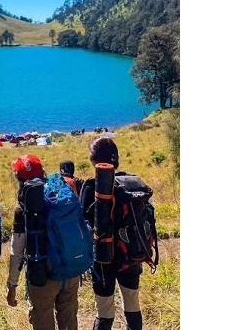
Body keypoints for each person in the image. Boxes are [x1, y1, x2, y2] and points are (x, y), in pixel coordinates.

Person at [6, 154, 80, 330]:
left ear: (20, 179)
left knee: (43, 323)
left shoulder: (23, 208)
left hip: (42, 276)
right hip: (70, 270)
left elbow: (17, 252)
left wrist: (12, 284)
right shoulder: (60, 195)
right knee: (69, 323)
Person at [80, 137, 144, 330]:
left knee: (105, 312)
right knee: (132, 304)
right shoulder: (132, 183)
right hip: (131, 254)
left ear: (94, 161)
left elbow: (83, 223)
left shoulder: (92, 186)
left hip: (103, 259)